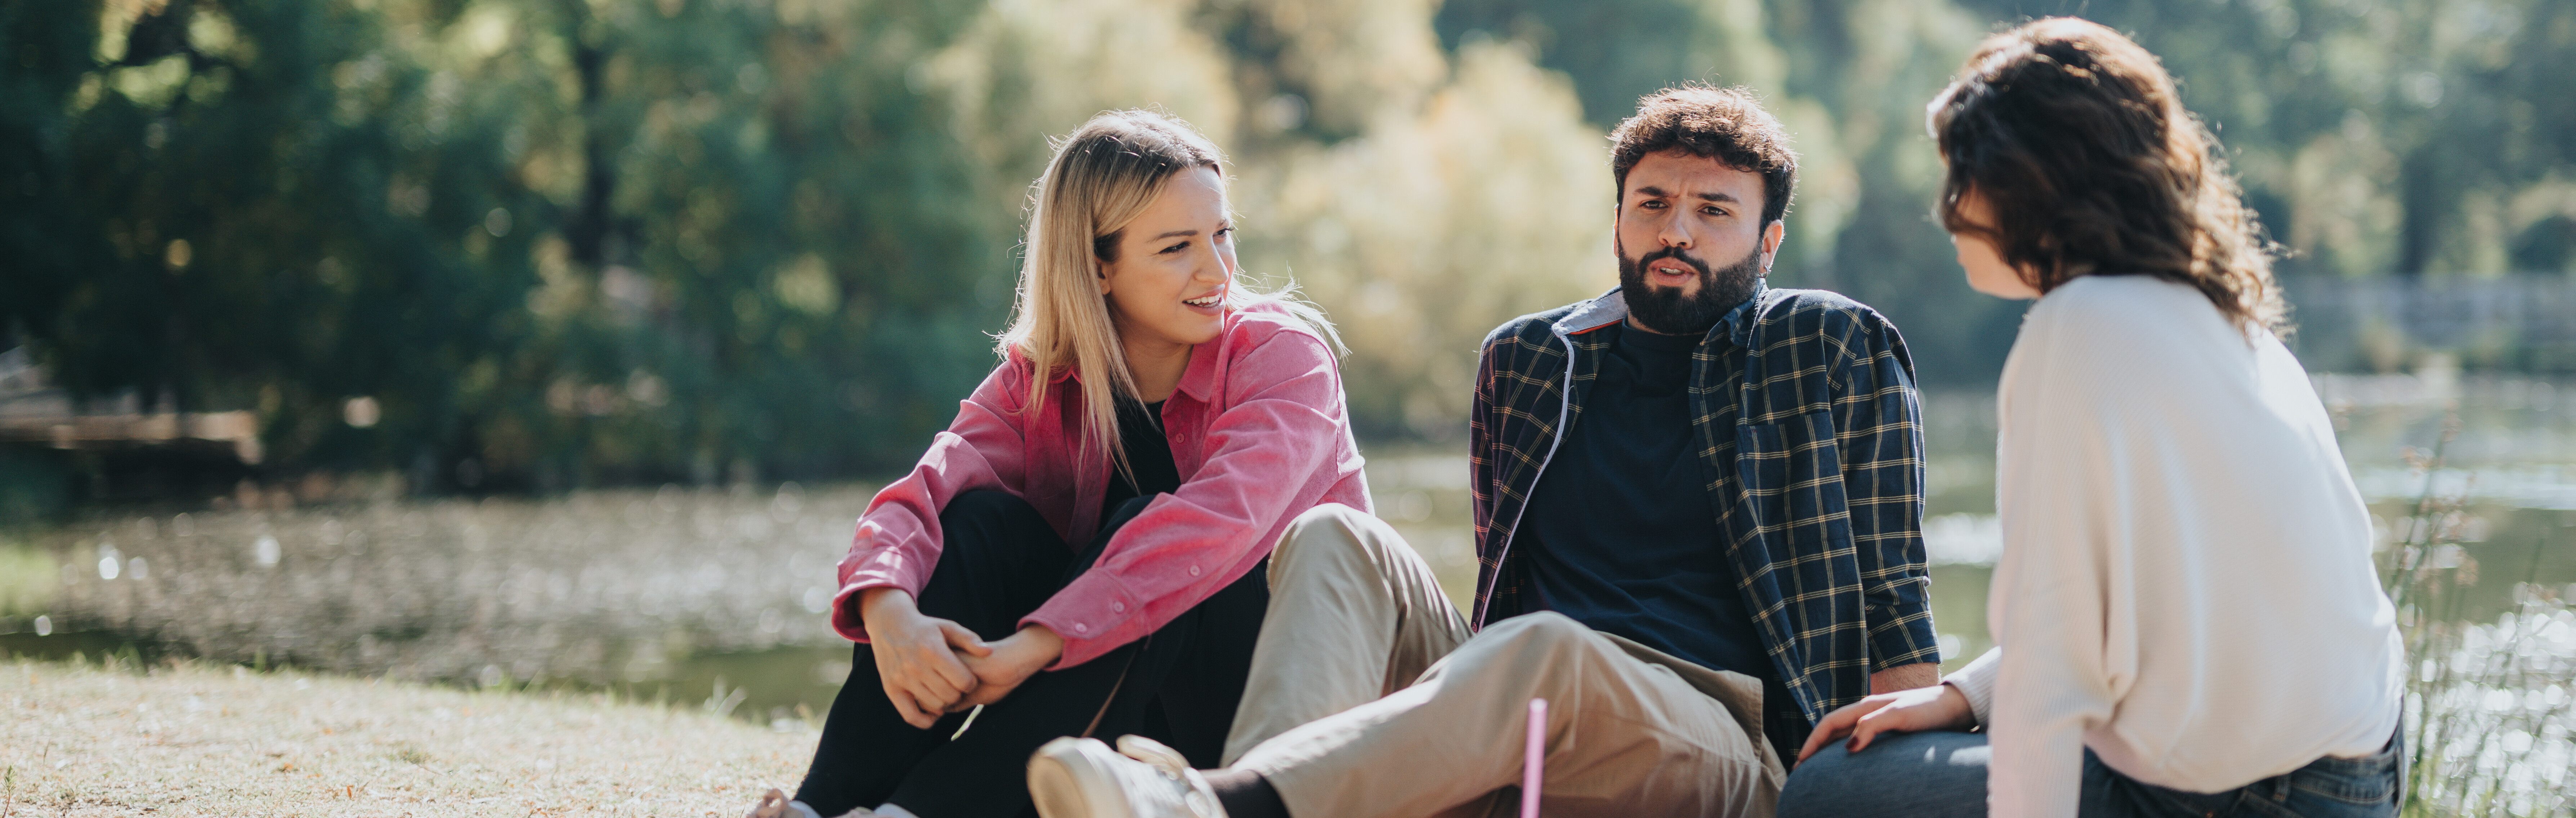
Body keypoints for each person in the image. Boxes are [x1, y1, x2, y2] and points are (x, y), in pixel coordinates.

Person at [1023, 85, 1941, 818]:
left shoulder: (1829, 343)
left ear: (1768, 239)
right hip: (1514, 688)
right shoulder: (1532, 358)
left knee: (1543, 654)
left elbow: (1897, 591)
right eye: (1653, 203)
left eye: (1715, 211)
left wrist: (1898, 780)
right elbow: (1501, 579)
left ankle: (1220, 804)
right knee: (1340, 535)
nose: (1677, 230)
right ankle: (1260, 795)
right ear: (1618, 216)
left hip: (1725, 738)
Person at [1773, 18, 2407, 818]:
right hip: (2356, 775)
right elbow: (2128, 615)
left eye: (1962, 175)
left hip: (2239, 795)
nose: (1948, 208)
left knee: (1828, 793)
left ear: (2028, 180)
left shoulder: (2078, 327)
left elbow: (2055, 671)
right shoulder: (2217, 316)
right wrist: (1964, 696)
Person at [745, 110, 1368, 818]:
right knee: (975, 525)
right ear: (1097, 267)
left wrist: (1035, 645)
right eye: (1176, 247)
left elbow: (1207, 532)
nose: (1217, 269)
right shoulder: (1042, 382)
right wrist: (889, 612)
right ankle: (820, 807)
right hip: (1106, 706)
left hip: (1259, 728)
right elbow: (921, 494)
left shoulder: (1283, 360)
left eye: (1222, 235)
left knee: (1156, 543)